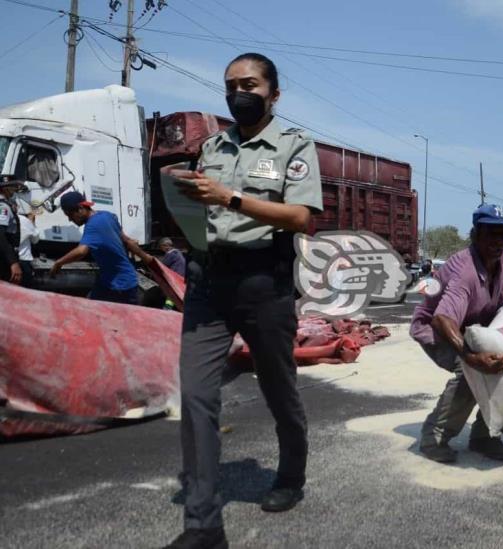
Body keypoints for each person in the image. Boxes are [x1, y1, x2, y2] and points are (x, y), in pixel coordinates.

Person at [162, 53, 323, 549]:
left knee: (279, 389)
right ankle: (204, 525)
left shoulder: (295, 146)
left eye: (250, 84)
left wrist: (229, 197)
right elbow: (199, 211)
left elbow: (302, 218)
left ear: (274, 92)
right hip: (208, 281)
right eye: (231, 85)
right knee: (195, 396)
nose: (239, 93)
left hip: (264, 282)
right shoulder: (211, 146)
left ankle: (291, 474)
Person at [410, 204, 503, 464]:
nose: (498, 242)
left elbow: (502, 289)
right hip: (436, 329)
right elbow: (441, 319)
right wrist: (471, 358)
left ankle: (485, 436)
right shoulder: (464, 272)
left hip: (472, 327)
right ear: (476, 234)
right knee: (471, 373)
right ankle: (433, 438)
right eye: (491, 234)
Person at [49, 191, 153, 304]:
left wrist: (58, 263)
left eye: (70, 215)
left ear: (80, 208)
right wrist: (146, 258)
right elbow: (128, 241)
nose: (70, 220)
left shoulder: (93, 225)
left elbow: (81, 251)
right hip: (114, 281)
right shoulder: (107, 215)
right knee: (90, 307)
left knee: (99, 313)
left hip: (119, 285)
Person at [0, 178, 22, 284]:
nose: (15, 189)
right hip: (4, 261)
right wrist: (13, 262)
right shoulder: (3, 206)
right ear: (4, 189)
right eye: (12, 186)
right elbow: (0, 235)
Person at [18, 212, 40, 288]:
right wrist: (32, 223)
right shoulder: (24, 220)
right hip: (23, 259)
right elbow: (35, 239)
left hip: (8, 258)